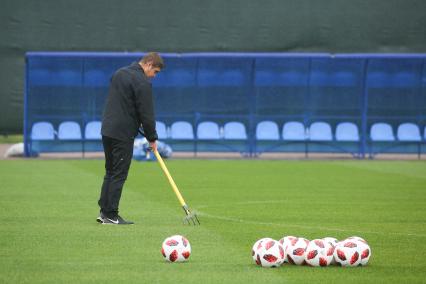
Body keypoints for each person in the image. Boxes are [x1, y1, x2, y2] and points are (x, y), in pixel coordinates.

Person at [97, 52, 164, 225]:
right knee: (119, 173)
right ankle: (111, 214)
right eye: (155, 72)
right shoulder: (142, 82)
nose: (154, 76)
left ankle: (104, 212)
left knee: (110, 171)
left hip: (107, 129)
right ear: (148, 64)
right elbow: (147, 114)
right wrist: (152, 138)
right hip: (122, 133)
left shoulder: (119, 73)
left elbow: (125, 104)